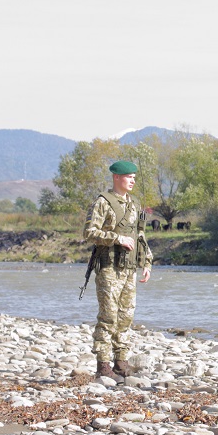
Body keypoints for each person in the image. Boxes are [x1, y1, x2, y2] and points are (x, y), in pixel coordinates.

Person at [83, 160, 153, 381]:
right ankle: (103, 365)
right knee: (109, 316)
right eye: (128, 176)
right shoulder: (103, 203)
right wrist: (117, 238)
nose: (132, 180)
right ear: (116, 177)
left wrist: (147, 262)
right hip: (109, 268)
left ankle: (121, 362)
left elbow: (140, 237)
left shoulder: (134, 204)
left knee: (126, 316)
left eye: (134, 176)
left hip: (129, 268)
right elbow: (89, 232)